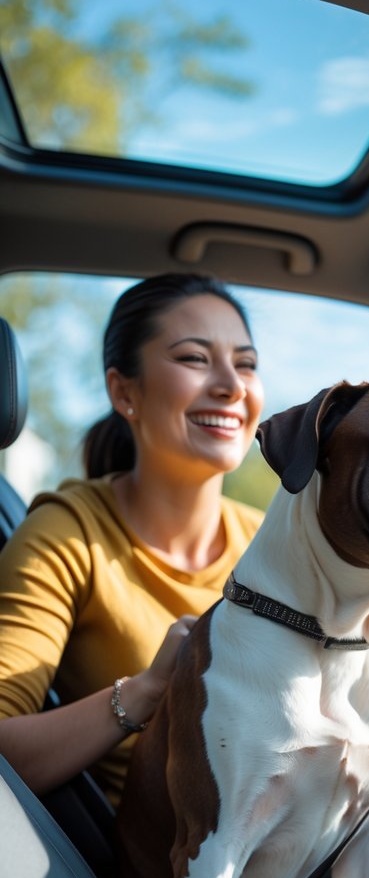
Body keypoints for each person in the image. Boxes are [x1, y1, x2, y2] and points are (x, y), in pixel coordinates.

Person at [0, 272, 265, 808]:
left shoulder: (265, 539)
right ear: (124, 391)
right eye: (194, 358)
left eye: (246, 363)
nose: (232, 386)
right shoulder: (67, 531)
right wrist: (146, 690)